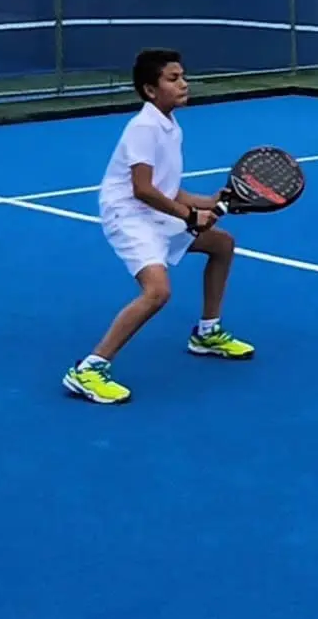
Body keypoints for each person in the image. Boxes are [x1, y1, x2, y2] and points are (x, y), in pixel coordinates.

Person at [65, 48, 255, 405]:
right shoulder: (144, 127)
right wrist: (189, 216)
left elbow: (168, 188)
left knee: (222, 244)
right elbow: (142, 189)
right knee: (157, 292)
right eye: (173, 78)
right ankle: (89, 369)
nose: (184, 84)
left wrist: (207, 202)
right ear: (150, 90)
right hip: (129, 216)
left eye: (183, 76)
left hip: (151, 209)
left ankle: (207, 333)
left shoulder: (170, 126)